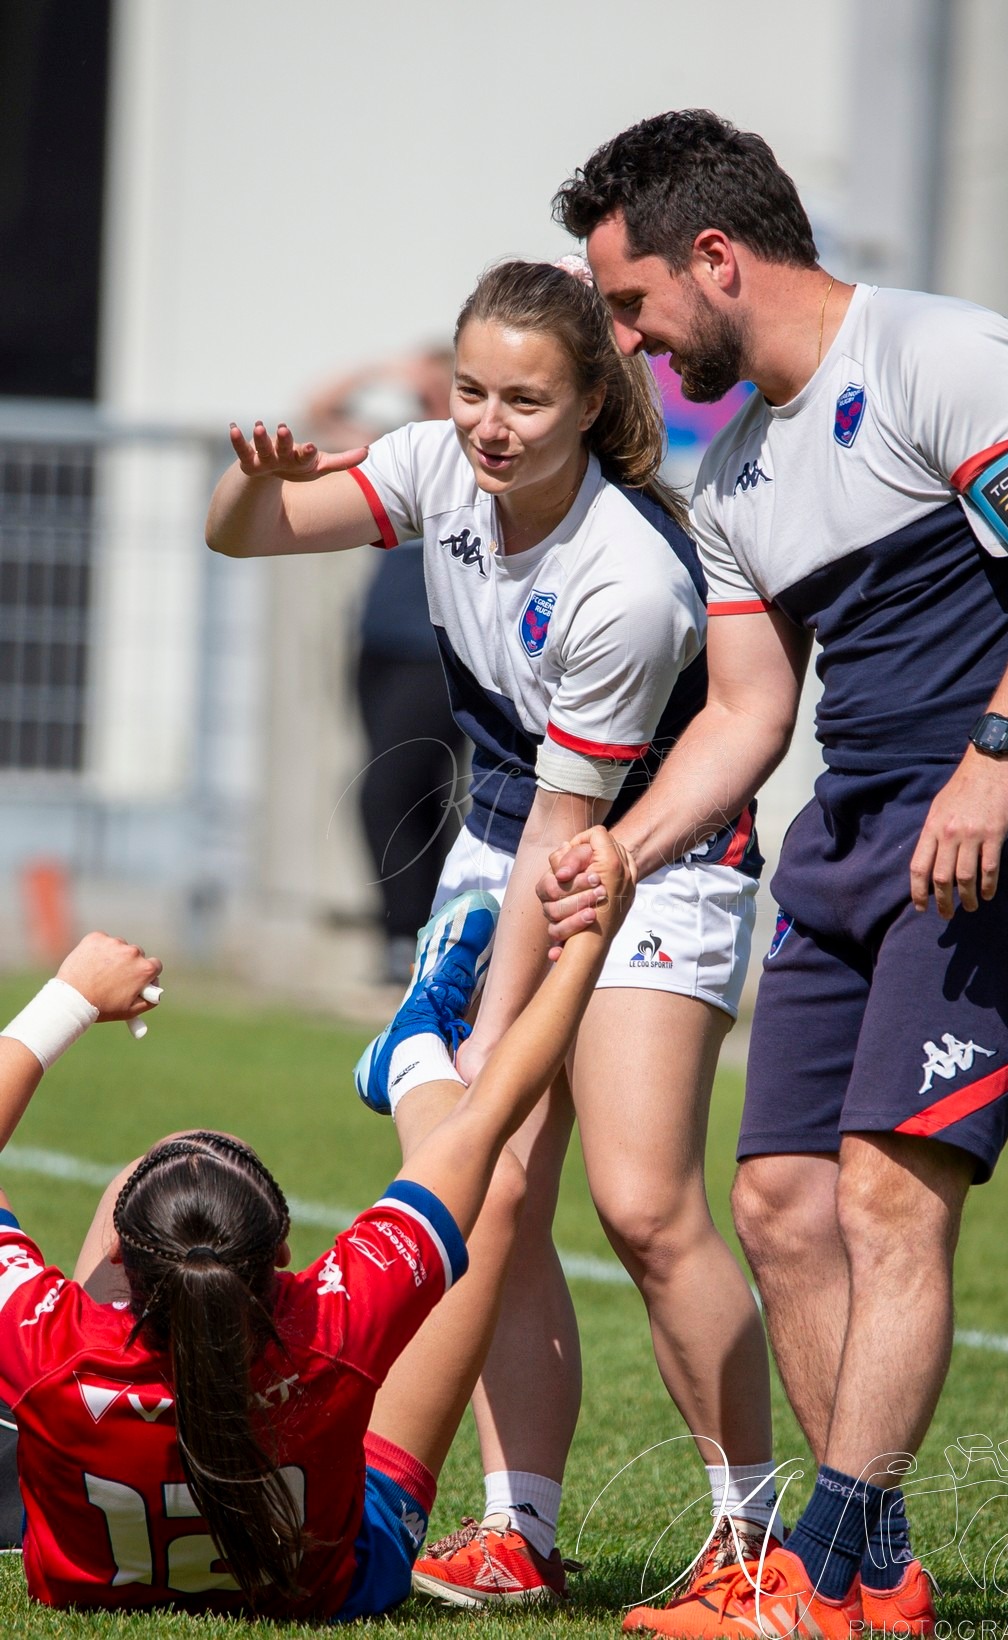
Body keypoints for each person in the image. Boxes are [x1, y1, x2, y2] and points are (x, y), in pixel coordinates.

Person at [540, 109, 1008, 1639]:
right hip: (854, 834)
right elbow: (746, 715)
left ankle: (817, 1579)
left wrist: (999, 747)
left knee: (884, 1198)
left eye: (636, 304)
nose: (636, 345)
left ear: (716, 257)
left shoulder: (940, 353)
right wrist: (621, 849)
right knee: (780, 1202)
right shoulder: (738, 484)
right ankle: (882, 1573)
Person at [205, 257, 782, 1606]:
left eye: (526, 399)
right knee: (497, 1201)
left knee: (641, 1203)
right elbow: (244, 533)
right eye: (471, 390)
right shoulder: (433, 466)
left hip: (654, 860)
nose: (489, 424)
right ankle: (517, 1531)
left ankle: (754, 1552)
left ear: (592, 401)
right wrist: (256, 472)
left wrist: (485, 1062)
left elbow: (565, 837)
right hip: (509, 846)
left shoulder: (627, 580)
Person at [0, 826, 638, 1618]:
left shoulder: (48, 1347)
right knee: (495, 1194)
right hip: (334, 1575)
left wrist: (70, 996)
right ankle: (410, 1049)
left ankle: (395, 1051)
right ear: (285, 1261)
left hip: (94, 1552)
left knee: (162, 1164)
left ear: (123, 1264)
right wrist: (589, 939)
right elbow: (484, 1123)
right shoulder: (324, 1327)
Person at [305, 349, 466, 984]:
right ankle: (432, 935)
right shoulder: (398, 449)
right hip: (378, 645)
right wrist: (383, 366)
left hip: (436, 653)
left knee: (385, 792)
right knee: (415, 794)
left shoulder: (473, 458)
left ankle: (405, 938)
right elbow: (319, 409)